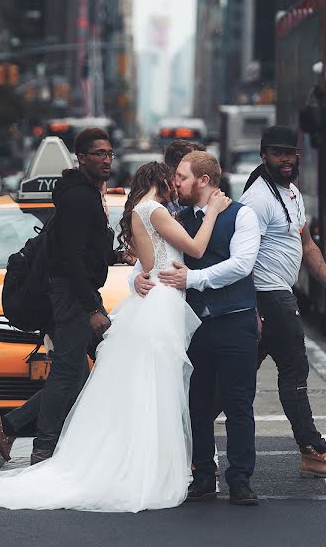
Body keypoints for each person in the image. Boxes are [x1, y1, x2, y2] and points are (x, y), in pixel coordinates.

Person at [0, 162, 228, 512]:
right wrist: (213, 212)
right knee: (157, 387)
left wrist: (136, 276)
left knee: (147, 387)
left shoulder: (139, 211)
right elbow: (194, 249)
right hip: (162, 303)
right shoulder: (155, 210)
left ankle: (144, 460)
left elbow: (145, 261)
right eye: (174, 179)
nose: (177, 185)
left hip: (154, 299)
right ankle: (149, 466)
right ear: (160, 180)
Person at [0, 128, 128, 466]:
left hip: (71, 290)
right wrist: (92, 306)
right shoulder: (80, 197)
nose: (106, 159)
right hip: (72, 294)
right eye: (98, 153)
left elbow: (85, 250)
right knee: (67, 373)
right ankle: (43, 449)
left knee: (76, 373)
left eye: (109, 153)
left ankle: (9, 424)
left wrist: (117, 256)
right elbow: (70, 259)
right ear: (81, 157)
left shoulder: (86, 193)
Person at [135, 151, 262, 505]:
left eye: (182, 176)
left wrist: (195, 279)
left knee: (239, 404)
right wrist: (137, 280)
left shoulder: (243, 215)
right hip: (190, 325)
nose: (176, 183)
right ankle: (203, 475)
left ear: (203, 181)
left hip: (236, 320)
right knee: (196, 404)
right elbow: (155, 256)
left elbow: (241, 264)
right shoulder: (177, 216)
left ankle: (240, 479)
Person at [238, 125, 326, 479]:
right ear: (264, 156)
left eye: (290, 154)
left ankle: (192, 447)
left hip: (279, 297)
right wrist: (254, 308)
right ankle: (314, 451)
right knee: (293, 374)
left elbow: (307, 246)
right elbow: (243, 257)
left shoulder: (290, 193)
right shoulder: (256, 200)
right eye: (277, 154)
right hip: (268, 298)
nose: (285, 160)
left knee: (236, 379)